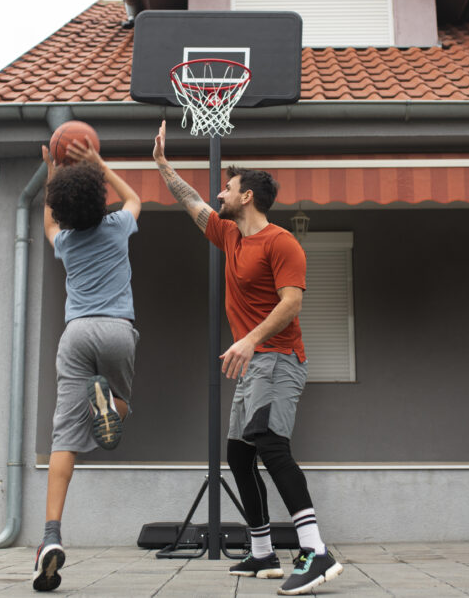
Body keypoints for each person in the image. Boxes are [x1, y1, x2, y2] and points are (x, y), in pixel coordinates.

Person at [151, 120, 343, 595]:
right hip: (255, 362)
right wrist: (162, 166)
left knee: (270, 443)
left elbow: (292, 302)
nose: (220, 194)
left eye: (228, 188)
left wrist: (249, 339)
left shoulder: (281, 242)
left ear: (248, 197)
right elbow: (193, 205)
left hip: (279, 359)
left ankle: (316, 551)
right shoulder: (230, 235)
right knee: (239, 455)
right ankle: (262, 554)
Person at [32, 135, 142, 592]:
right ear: (99, 200)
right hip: (117, 330)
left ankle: (51, 536)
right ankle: (108, 407)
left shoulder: (67, 244)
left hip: (75, 335)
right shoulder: (117, 226)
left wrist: (51, 176)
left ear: (64, 208)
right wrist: (99, 162)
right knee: (122, 406)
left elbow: (48, 224)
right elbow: (135, 198)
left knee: (64, 437)